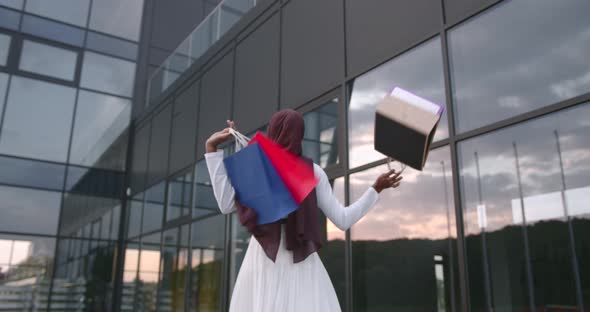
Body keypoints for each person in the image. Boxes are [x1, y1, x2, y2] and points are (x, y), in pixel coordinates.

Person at [204, 109, 402, 312]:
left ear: (272, 131)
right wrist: (375, 190)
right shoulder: (312, 172)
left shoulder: (259, 166)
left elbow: (226, 203)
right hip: (300, 261)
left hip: (262, 260)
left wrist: (212, 148)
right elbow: (343, 219)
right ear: (300, 134)